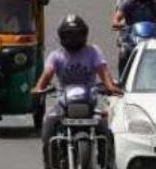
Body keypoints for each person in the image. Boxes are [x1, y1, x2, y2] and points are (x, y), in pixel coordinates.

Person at [32, 15, 120, 169]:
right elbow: (47, 74)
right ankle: (49, 161)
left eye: (76, 35)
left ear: (84, 35)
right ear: (62, 37)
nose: (73, 39)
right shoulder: (56, 55)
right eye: (69, 35)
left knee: (104, 126)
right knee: (48, 123)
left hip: (89, 103)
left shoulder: (93, 51)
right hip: (63, 103)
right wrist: (39, 88)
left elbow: (103, 71)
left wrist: (110, 87)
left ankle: (107, 161)